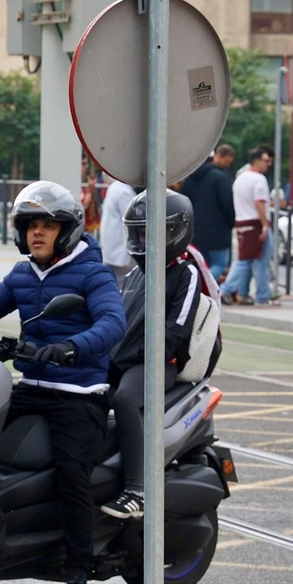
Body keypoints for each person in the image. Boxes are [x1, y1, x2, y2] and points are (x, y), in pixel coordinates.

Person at [0, 182, 126, 584]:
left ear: (68, 230)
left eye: (47, 225)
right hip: (31, 387)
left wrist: (72, 347)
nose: (37, 233)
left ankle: (77, 578)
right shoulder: (23, 274)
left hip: (78, 393)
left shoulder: (92, 273)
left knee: (71, 475)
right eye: (30, 226)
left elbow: (113, 322)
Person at [102, 190, 221, 521]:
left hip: (156, 364)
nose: (144, 240)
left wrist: (137, 355)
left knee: (126, 399)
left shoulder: (186, 273)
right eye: (139, 232)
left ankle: (137, 490)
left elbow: (176, 330)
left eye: (152, 232)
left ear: (176, 231)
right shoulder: (135, 274)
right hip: (126, 359)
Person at [219, 147, 274, 306]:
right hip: (256, 222)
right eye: (266, 161)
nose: (268, 164)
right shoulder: (258, 179)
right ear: (257, 161)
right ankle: (259, 295)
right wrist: (264, 224)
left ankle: (244, 292)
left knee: (246, 259)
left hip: (242, 221)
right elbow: (259, 202)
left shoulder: (240, 178)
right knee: (257, 262)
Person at [183, 145, 236, 283]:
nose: (227, 165)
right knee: (219, 264)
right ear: (218, 156)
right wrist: (231, 223)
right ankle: (202, 287)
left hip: (196, 231)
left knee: (201, 265)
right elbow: (227, 204)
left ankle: (197, 286)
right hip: (218, 232)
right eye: (227, 161)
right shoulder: (220, 177)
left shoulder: (191, 178)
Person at [97, 176, 135, 285]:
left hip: (112, 251)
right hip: (120, 253)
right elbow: (132, 219)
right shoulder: (123, 191)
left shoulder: (115, 188)